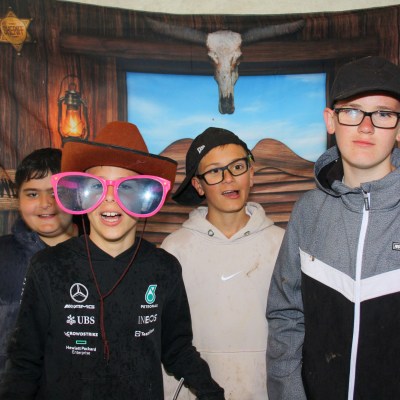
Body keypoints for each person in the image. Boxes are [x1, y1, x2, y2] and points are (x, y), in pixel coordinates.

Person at [0, 121, 225, 400]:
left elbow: (177, 348)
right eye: (97, 187)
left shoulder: (163, 268)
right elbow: (24, 362)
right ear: (81, 195)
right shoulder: (48, 266)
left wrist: (213, 393)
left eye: (127, 189)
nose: (110, 199)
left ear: (147, 198)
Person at [266, 55, 400, 400]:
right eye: (352, 111)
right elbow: (286, 316)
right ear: (330, 120)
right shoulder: (307, 212)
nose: (366, 127)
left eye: (383, 114)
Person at [161, 127, 285, 399]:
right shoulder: (175, 249)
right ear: (198, 185)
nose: (229, 179)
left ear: (251, 173)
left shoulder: (281, 245)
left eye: (237, 167)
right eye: (215, 171)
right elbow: (166, 338)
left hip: (263, 391)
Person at [0, 148, 79, 380]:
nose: (45, 203)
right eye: (32, 194)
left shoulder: (99, 256)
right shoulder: (3, 255)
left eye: (56, 193)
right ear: (18, 199)